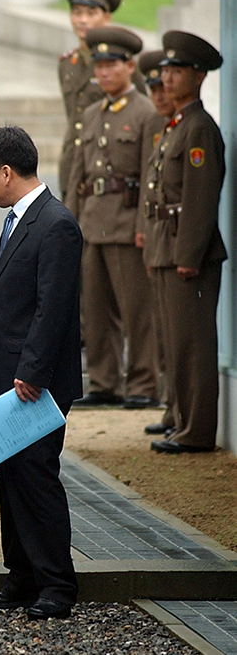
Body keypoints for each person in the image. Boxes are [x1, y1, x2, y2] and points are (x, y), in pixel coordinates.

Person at [0, 126, 82, 620]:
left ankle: (56, 586)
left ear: (7, 172)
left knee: (36, 479)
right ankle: (20, 579)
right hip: (10, 376)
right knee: (13, 480)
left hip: (35, 383)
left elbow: (52, 307)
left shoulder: (55, 223)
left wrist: (31, 373)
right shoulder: (20, 219)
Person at [66, 26, 159, 409]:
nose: (103, 73)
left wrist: (143, 227)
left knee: (136, 310)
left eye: (111, 65)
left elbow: (150, 174)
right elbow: (78, 175)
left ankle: (142, 383)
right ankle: (105, 381)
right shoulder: (91, 113)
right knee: (95, 308)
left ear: (129, 66)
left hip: (126, 221)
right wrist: (69, 222)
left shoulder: (146, 112)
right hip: (91, 221)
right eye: (98, 66)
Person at [143, 32, 226, 454]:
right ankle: (178, 417)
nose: (167, 78)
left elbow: (200, 196)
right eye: (166, 71)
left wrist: (188, 255)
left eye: (176, 71)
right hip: (166, 246)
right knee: (173, 342)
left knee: (192, 344)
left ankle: (197, 430)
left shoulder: (198, 128)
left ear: (197, 76)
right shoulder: (177, 124)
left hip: (186, 252)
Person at [57, 0, 144, 202]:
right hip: (74, 163)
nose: (82, 20)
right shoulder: (67, 63)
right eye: (77, 12)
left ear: (106, 17)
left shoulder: (122, 65)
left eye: (91, 13)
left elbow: (142, 115)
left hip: (110, 167)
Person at [138, 49, 178, 437]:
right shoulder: (165, 126)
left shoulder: (189, 128)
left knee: (179, 339)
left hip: (176, 246)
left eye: (164, 87)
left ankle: (182, 416)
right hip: (160, 241)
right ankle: (174, 411)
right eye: (155, 88)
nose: (160, 96)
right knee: (167, 335)